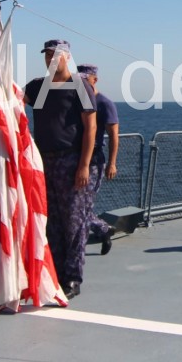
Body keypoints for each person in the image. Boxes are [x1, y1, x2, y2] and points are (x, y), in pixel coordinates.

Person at [23, 40, 97, 299]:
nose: (51, 60)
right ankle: (53, 273)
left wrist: (84, 165)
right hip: (43, 161)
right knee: (50, 220)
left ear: (68, 57)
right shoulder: (39, 87)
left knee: (74, 222)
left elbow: (91, 127)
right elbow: (11, 102)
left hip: (70, 160)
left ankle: (73, 278)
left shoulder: (79, 86)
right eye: (47, 56)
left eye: (56, 56)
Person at [77, 63, 120, 256]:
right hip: (76, 158)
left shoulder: (104, 103)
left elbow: (113, 135)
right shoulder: (77, 101)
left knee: (81, 206)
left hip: (94, 161)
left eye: (86, 79)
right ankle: (103, 229)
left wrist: (112, 163)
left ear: (95, 79)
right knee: (75, 204)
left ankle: (99, 231)